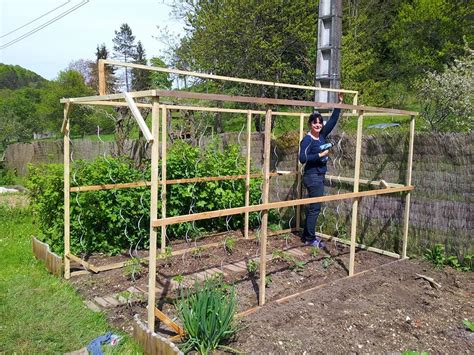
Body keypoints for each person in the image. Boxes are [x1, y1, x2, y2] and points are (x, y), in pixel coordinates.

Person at [299, 92, 344, 248]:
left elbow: (332, 120)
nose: (318, 125)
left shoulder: (322, 135)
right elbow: (302, 158)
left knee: (313, 208)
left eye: (319, 123)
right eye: (315, 123)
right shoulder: (307, 140)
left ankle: (306, 236)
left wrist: (339, 102)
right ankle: (311, 239)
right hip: (312, 177)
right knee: (315, 209)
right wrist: (319, 154)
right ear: (310, 125)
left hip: (319, 176)